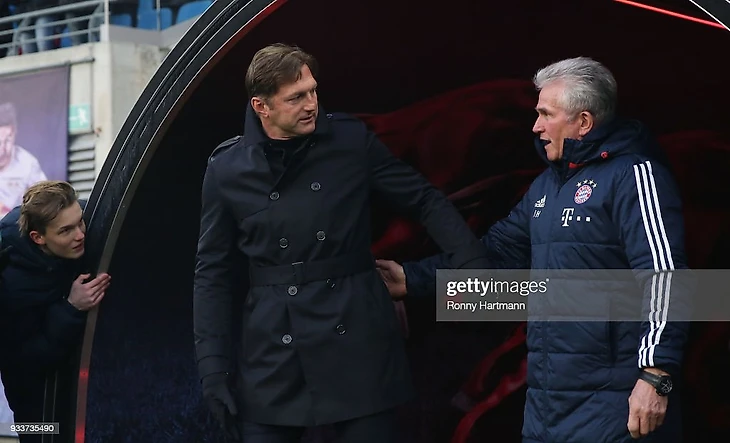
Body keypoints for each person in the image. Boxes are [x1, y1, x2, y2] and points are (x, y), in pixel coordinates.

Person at [376, 57, 692, 442]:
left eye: (546, 114)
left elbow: (664, 277)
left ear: (583, 123)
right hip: (547, 405)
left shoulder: (635, 176)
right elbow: (493, 255)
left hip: (617, 404)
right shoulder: (546, 188)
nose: (536, 126)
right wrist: (412, 278)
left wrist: (655, 376)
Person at [193, 43, 489, 442]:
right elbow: (212, 274)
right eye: (296, 97)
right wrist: (212, 367)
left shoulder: (350, 141)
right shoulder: (226, 169)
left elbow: (423, 199)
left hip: (357, 338)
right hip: (272, 351)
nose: (311, 104)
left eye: (313, 91)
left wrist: (472, 266)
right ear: (261, 106)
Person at [0, 180, 110, 443]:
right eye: (66, 231)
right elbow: (25, 360)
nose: (80, 234)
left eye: (80, 222)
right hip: (33, 414)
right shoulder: (10, 285)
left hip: (83, 395)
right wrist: (71, 308)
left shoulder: (85, 222)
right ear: (38, 238)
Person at [0, 102, 48, 219]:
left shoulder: (28, 164)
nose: (2, 150)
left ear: (15, 133)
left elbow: (47, 200)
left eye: (7, 140)